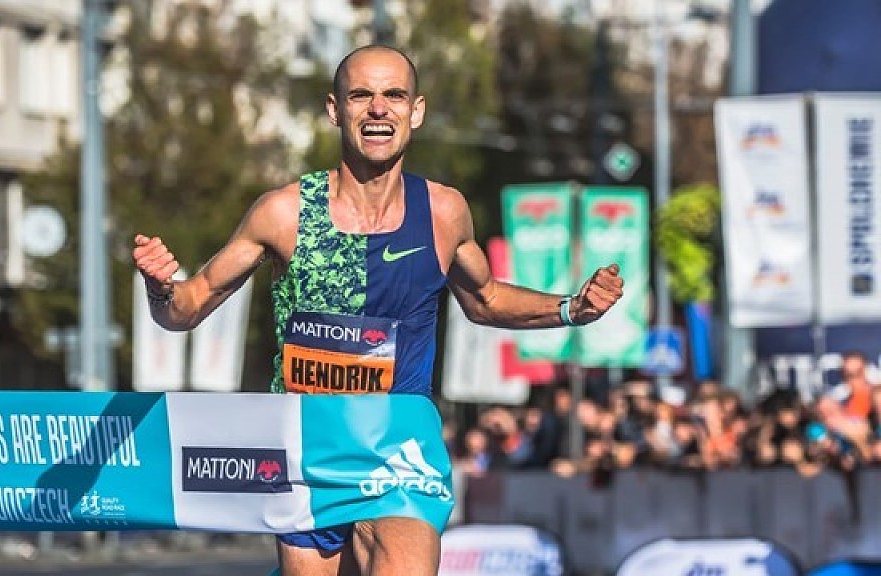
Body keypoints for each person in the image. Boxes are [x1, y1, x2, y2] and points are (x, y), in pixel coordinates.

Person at [133, 44, 623, 576]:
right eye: (361, 95)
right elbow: (189, 306)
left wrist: (571, 308)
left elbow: (485, 299)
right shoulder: (284, 213)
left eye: (394, 95)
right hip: (306, 450)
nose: (378, 109)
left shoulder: (442, 212)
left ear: (417, 110)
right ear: (334, 109)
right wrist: (162, 289)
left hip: (398, 447)